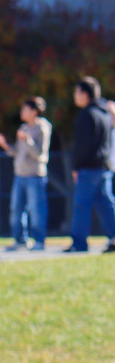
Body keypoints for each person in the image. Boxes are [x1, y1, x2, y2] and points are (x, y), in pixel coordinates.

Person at [0, 96, 51, 250]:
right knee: (17, 209)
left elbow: (40, 154)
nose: (22, 112)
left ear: (34, 111)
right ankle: (20, 240)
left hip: (35, 176)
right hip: (20, 175)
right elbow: (16, 152)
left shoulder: (42, 128)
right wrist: (4, 144)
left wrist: (28, 140)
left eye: (25, 109)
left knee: (37, 210)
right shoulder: (24, 128)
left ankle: (39, 241)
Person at [67, 76, 115, 253]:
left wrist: (75, 167)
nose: (75, 96)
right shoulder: (105, 113)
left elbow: (82, 145)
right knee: (107, 205)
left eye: (77, 92)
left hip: (89, 168)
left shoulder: (87, 114)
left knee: (81, 206)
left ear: (85, 93)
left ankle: (79, 244)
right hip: (104, 166)